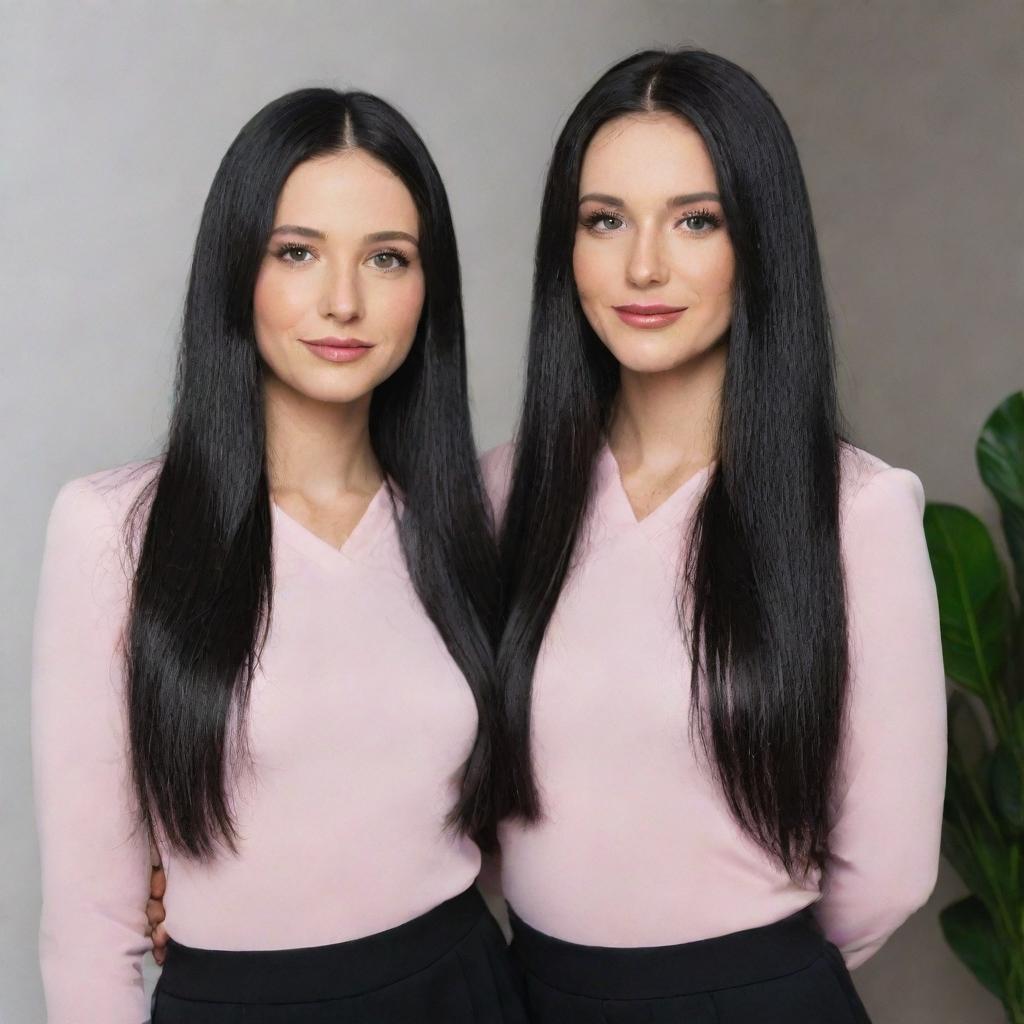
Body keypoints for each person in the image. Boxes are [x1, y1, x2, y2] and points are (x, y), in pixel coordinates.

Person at [32, 87, 526, 1024]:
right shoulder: (115, 530)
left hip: (466, 988)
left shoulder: (467, 519)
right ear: (236, 270)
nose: (343, 301)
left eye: (387, 259)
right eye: (296, 252)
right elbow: (89, 933)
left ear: (431, 290)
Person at [485, 48, 946, 1022]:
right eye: (604, 220)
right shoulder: (501, 493)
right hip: (531, 992)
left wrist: (734, 981)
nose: (642, 265)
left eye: (696, 220)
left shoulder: (853, 510)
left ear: (758, 242)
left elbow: (890, 868)